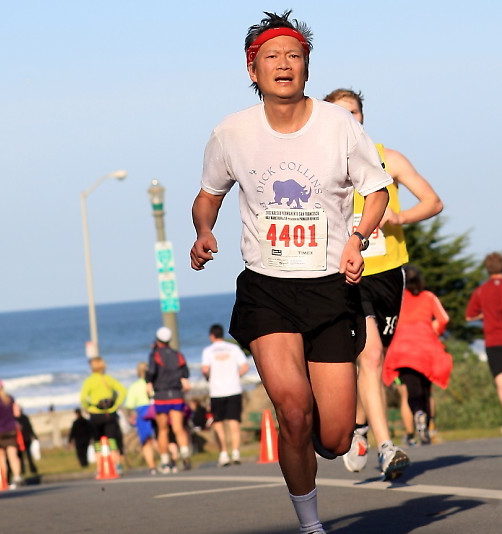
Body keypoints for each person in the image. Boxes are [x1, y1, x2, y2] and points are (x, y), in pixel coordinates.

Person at [189, 11, 390, 534]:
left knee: (336, 438)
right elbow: (208, 196)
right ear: (252, 69)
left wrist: (357, 238)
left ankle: (322, 439)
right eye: (272, 57)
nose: (284, 64)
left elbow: (377, 191)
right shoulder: (231, 132)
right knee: (294, 410)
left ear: (306, 66)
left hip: (330, 288)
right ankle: (310, 525)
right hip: (267, 289)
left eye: (294, 56)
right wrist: (204, 231)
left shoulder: (338, 125)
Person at [324, 88, 443, 477]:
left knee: (373, 362)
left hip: (389, 273)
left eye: (354, 112)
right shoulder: (322, 164)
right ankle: (387, 448)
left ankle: (359, 425)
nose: (349, 119)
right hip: (347, 274)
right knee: (370, 355)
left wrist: (399, 217)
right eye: (340, 113)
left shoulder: (388, 158)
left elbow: (433, 201)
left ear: (363, 117)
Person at [381, 266, 452, 445]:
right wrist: (433, 331)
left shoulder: (396, 298)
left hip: (401, 350)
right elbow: (444, 319)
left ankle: (413, 425)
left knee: (408, 392)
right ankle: (427, 425)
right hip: (426, 348)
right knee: (426, 390)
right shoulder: (428, 297)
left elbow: (386, 322)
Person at [466, 252, 502, 436]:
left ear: (487, 268)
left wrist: (484, 314)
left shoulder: (481, 291)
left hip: (494, 341)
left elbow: (469, 316)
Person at [201, 324, 250, 467]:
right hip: (234, 389)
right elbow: (245, 366)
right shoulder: (233, 348)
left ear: (212, 336)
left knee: (218, 424)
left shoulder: (208, 351)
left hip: (217, 391)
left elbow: (205, 370)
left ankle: (223, 454)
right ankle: (236, 453)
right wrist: (236, 376)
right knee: (234, 423)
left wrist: (208, 377)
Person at [146, 326, 191, 473]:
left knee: (163, 429)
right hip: (177, 394)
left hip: (161, 396)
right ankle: (185, 455)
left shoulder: (155, 355)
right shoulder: (178, 354)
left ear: (157, 340)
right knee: (178, 428)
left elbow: (151, 372)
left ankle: (165, 460)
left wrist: (148, 384)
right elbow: (185, 373)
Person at [80, 357, 126, 474]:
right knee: (112, 440)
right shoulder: (108, 379)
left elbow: (83, 398)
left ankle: (100, 468)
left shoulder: (89, 381)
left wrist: (88, 407)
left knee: (97, 441)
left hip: (95, 414)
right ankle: (117, 465)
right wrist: (116, 405)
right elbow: (123, 390)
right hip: (109, 413)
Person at [0, 379, 23, 489]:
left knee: (2, 457)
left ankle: (5, 480)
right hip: (12, 429)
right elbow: (17, 413)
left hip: (0, 430)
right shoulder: (10, 398)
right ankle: (17, 477)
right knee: (13, 455)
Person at [125, 361, 158, 474]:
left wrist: (130, 416)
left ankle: (152, 467)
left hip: (142, 413)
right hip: (156, 410)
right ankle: (166, 460)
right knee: (157, 437)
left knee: (146, 441)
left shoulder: (134, 386)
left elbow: (129, 405)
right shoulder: (153, 383)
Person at [16, 409, 39, 476]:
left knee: (28, 455)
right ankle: (23, 470)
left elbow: (29, 427)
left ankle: (31, 469)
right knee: (20, 456)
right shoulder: (16, 419)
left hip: (26, 439)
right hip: (19, 440)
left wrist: (33, 435)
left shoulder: (23, 418)